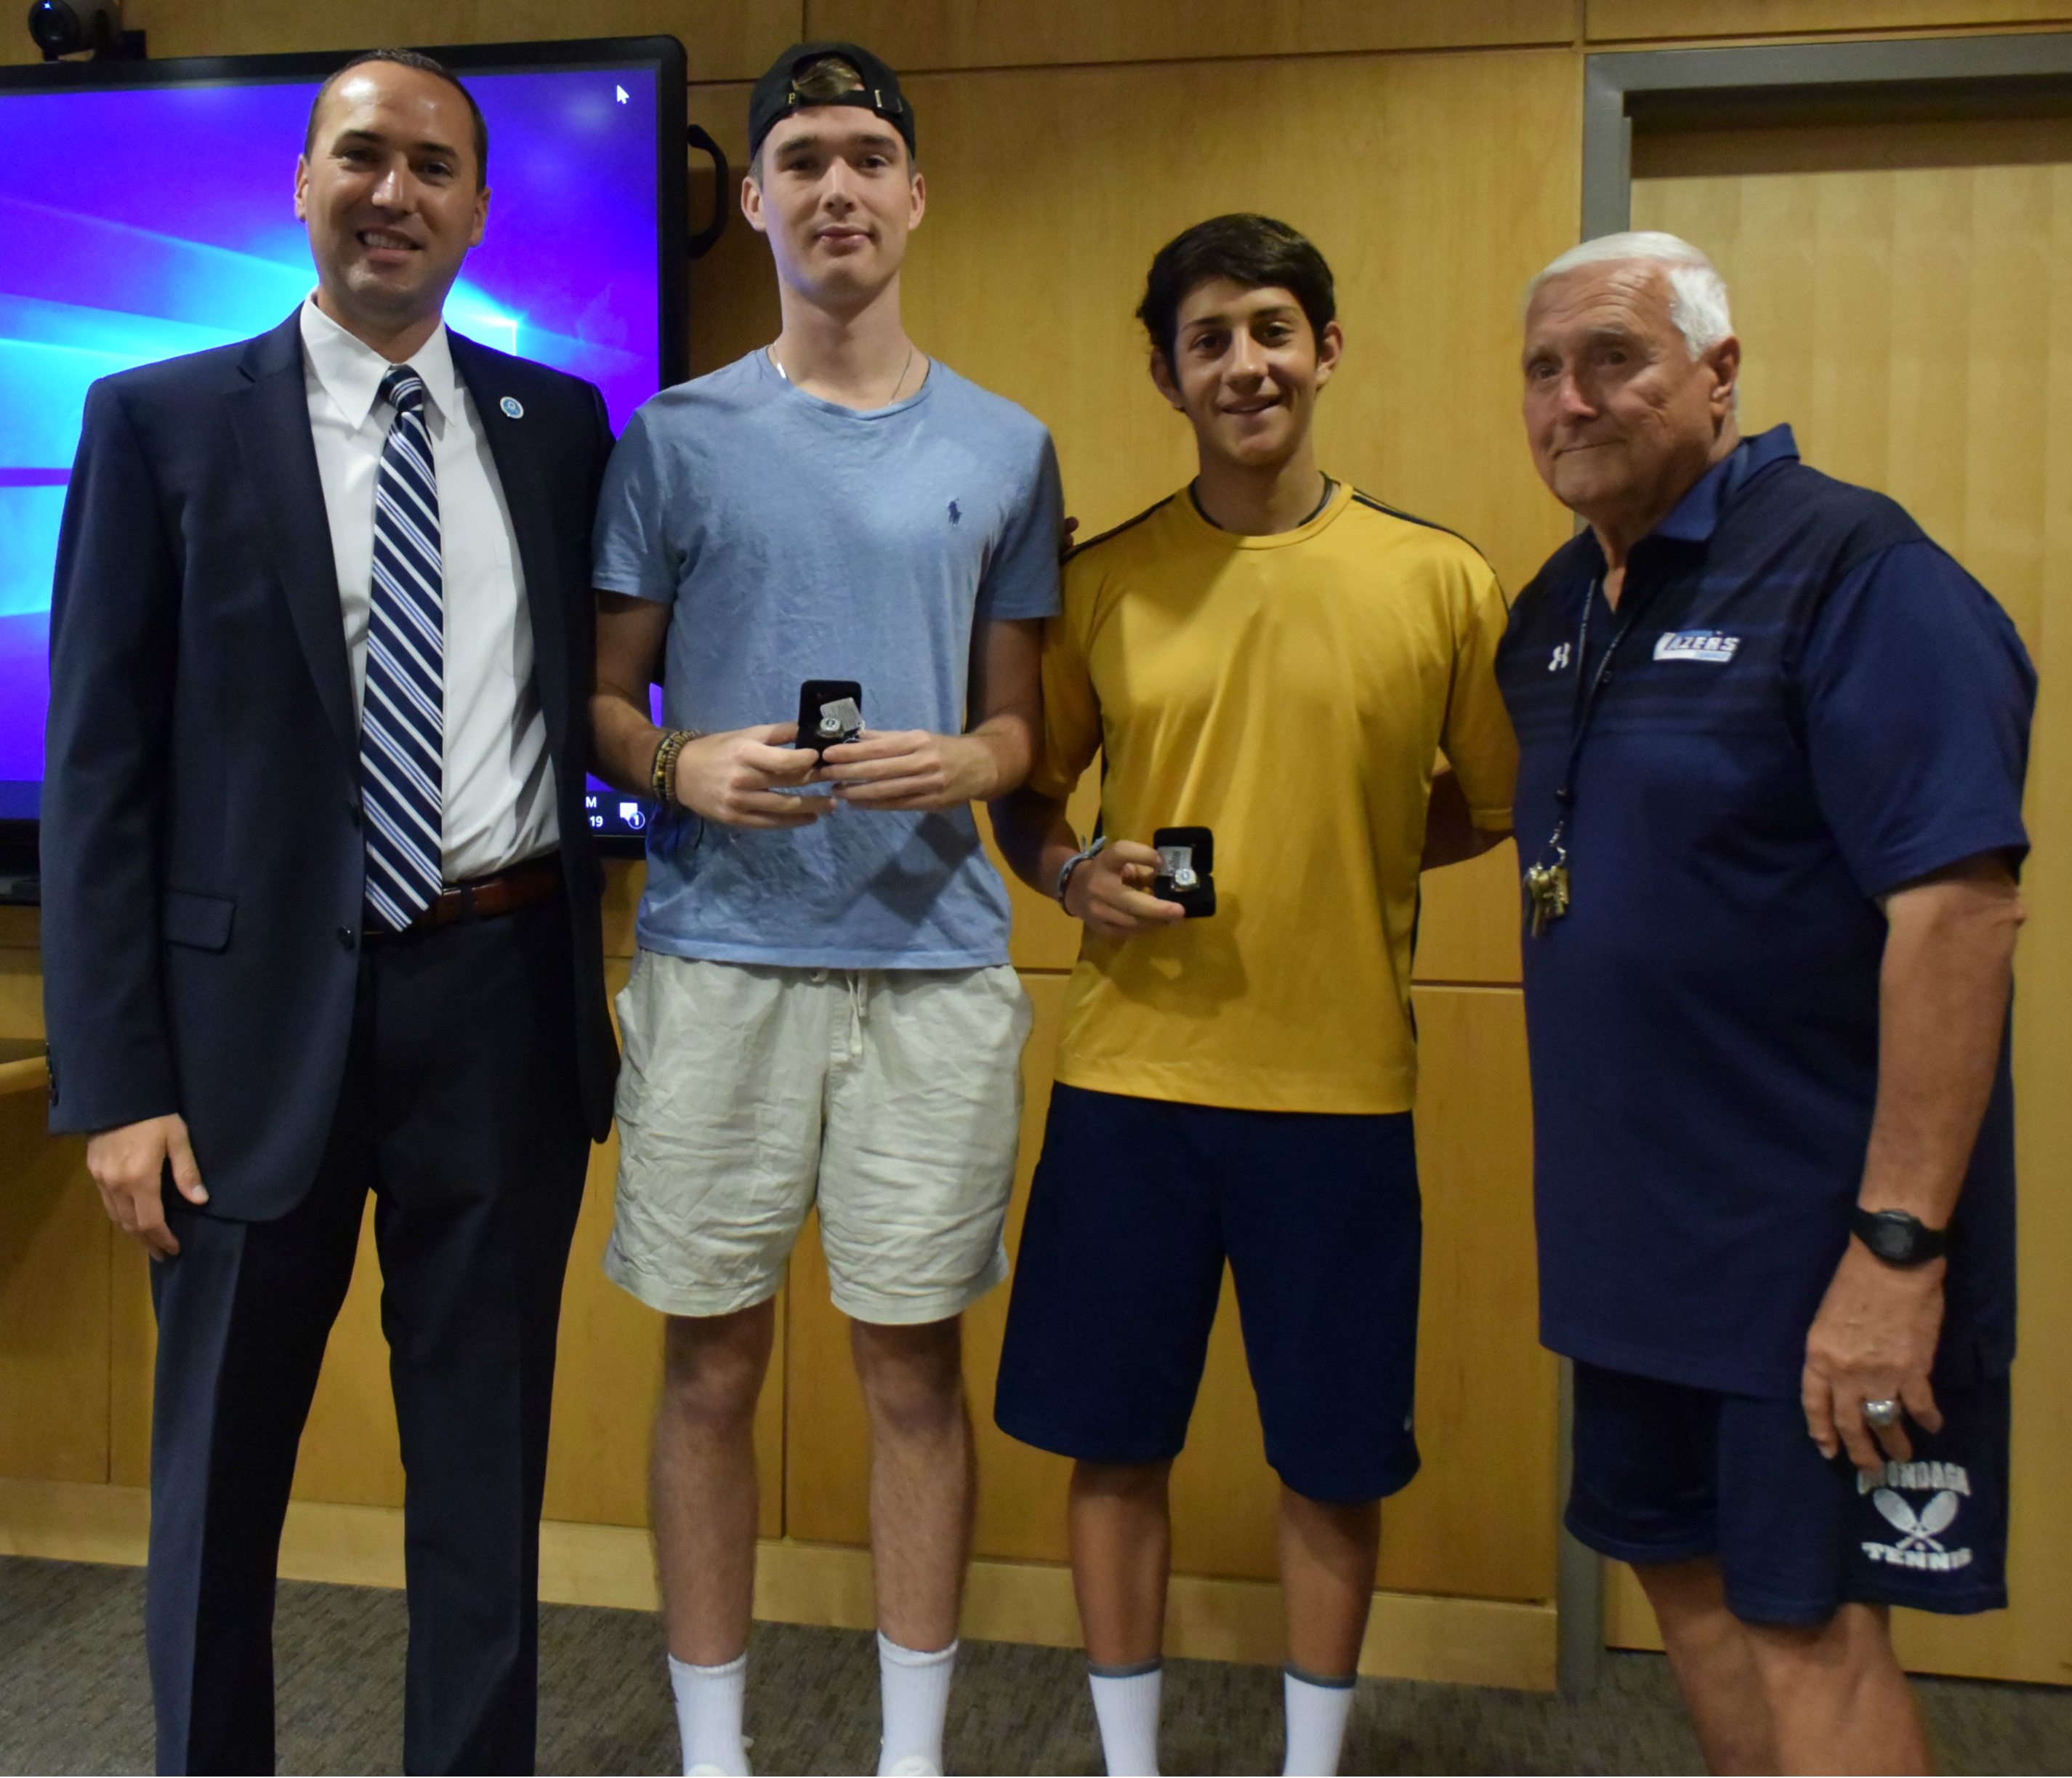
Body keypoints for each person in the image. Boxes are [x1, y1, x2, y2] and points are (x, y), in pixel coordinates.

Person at [41, 49, 620, 1776]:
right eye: (362, 157)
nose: (396, 194)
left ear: (477, 209)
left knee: (482, 1488)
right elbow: (99, 773)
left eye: (434, 167)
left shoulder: (556, 424)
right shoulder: (158, 421)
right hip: (231, 1050)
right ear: (300, 183)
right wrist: (116, 1078)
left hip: (499, 1002)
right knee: (217, 1487)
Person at [988, 214, 1518, 1778]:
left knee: (1332, 1458)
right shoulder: (1105, 582)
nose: (1246, 364)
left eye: (1273, 329)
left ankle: (1310, 1764)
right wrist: (1070, 869)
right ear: (1166, 373)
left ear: (1328, 349)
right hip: (1130, 1085)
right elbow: (1027, 799)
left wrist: (1351, 843)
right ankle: (1131, 1760)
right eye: (1209, 339)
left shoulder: (1440, 578)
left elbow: (1487, 802)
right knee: (1115, 1441)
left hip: (1342, 1094)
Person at [587, 41, 1062, 1778]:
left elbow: (1026, 722)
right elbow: (606, 699)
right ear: (764, 202)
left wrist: (976, 757)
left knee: (912, 1373)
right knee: (711, 1372)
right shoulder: (678, 434)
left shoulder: (1010, 445)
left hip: (932, 971)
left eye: (868, 157)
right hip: (719, 957)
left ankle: (909, 1754)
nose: (837, 189)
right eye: (803, 162)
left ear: (916, 195)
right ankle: (716, 1755)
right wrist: (682, 766)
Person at [1499, 230, 2032, 1775]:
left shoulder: (1860, 573)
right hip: (1631, 1244)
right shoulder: (1555, 608)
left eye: (1615, 357)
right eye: (1542, 368)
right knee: (1694, 1594)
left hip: (1817, 1246)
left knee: (1808, 1621)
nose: (1571, 398)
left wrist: (1897, 1255)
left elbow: (1959, 912)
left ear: (1719, 376)